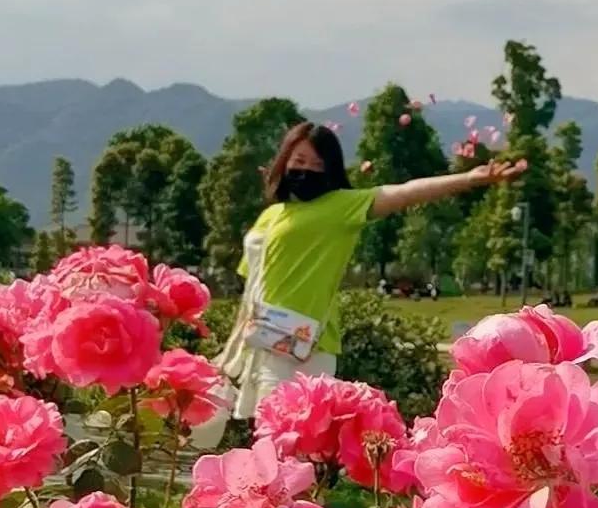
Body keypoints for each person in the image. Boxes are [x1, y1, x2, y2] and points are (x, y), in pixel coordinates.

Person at [216, 121, 526, 419]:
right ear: (284, 162)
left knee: (292, 440)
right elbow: (254, 289)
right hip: (265, 342)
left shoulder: (342, 206)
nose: (306, 170)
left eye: (318, 164)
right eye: (299, 160)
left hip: (308, 347)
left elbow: (404, 192)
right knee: (268, 437)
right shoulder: (270, 217)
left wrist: (467, 179)